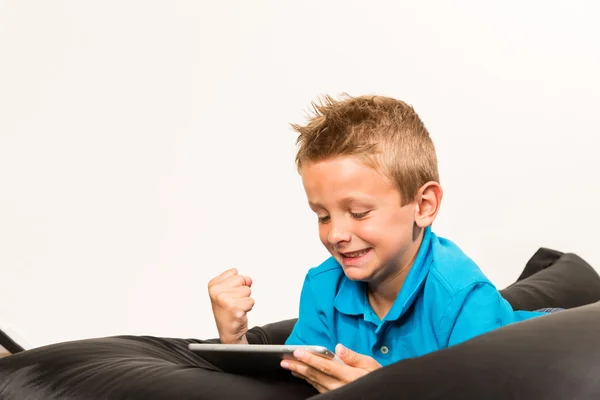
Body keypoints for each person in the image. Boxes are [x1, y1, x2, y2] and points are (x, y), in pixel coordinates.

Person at [207, 94, 547, 394]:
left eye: (358, 212)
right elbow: (291, 383)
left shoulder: (462, 297)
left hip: (545, 342)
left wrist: (385, 390)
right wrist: (235, 341)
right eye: (323, 216)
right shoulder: (322, 286)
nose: (335, 234)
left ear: (424, 205)